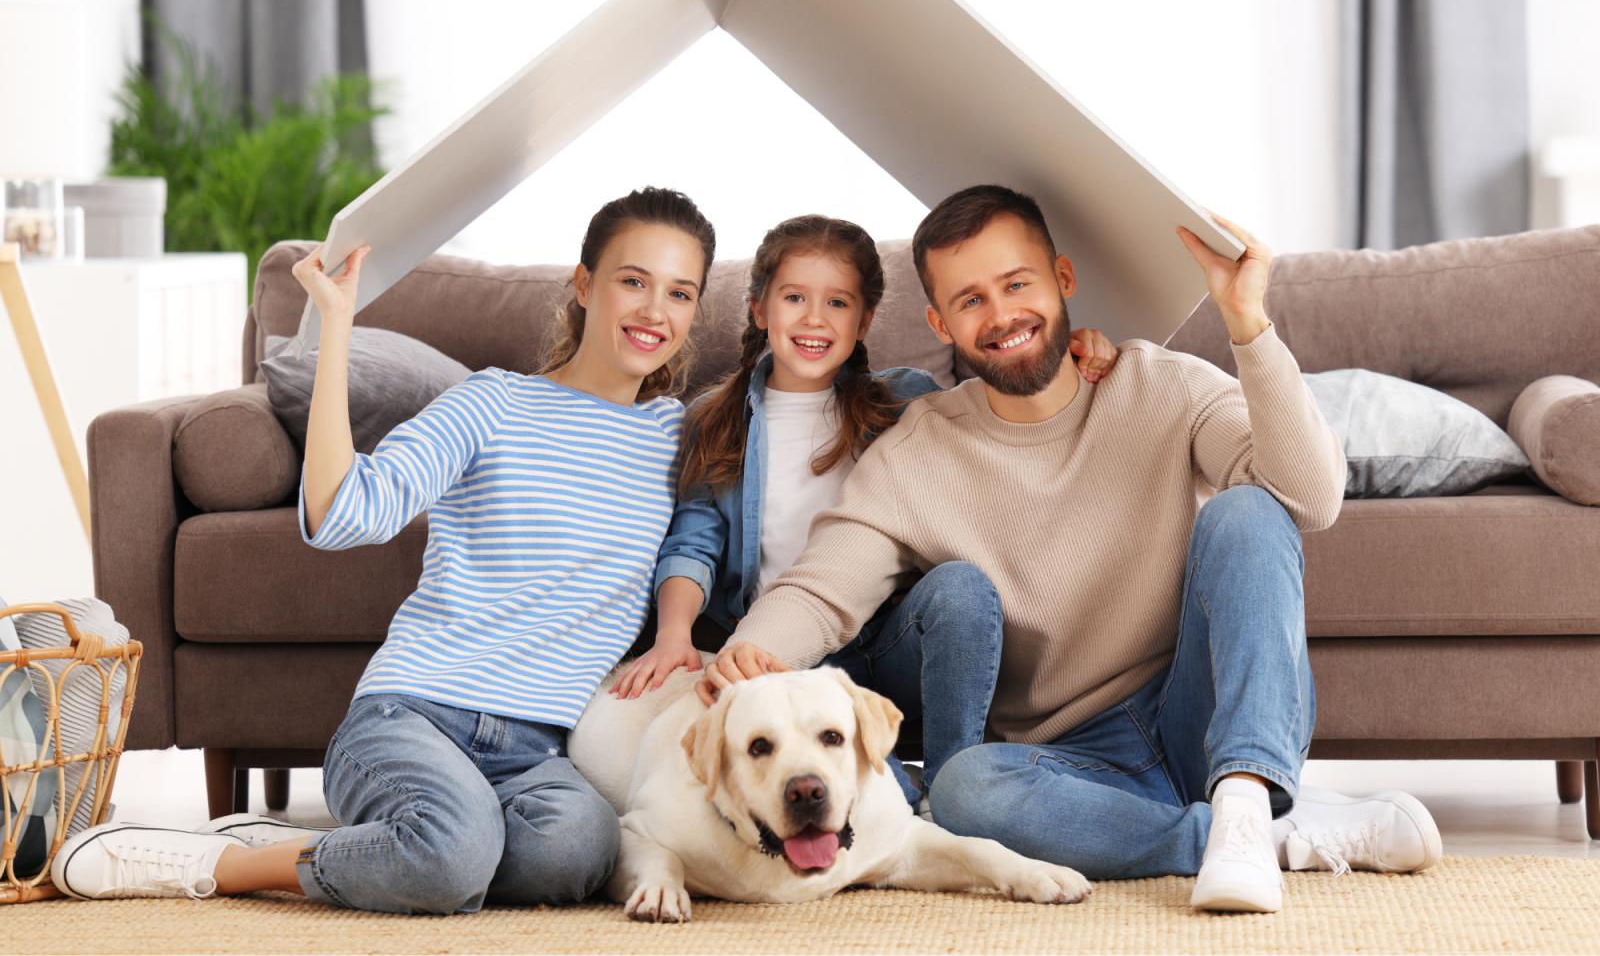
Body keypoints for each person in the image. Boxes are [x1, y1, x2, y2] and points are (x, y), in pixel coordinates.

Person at [691, 184, 1442, 914]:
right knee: (963, 789)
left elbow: (1311, 497)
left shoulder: (1164, 385)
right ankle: (1258, 837)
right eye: (970, 300)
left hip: (1195, 708)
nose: (1001, 316)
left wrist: (1248, 322)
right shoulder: (914, 453)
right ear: (940, 323)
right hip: (1068, 764)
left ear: (1063, 278)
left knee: (1249, 510)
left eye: (1017, 283)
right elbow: (823, 587)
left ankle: (1245, 797)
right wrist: (747, 658)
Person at [52, 188, 717, 914]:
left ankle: (421, 843)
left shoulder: (676, 438)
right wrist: (335, 328)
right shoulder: (492, 403)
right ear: (585, 284)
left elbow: (700, 540)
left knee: (578, 853)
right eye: (633, 280)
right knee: (452, 856)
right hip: (413, 714)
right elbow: (344, 513)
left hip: (539, 751)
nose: (655, 310)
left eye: (679, 292)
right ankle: (225, 860)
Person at [611, 214, 1119, 806]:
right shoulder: (713, 418)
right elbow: (692, 544)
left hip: (892, 644)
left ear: (865, 320)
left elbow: (1006, 388)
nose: (814, 319)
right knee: (882, 801)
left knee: (960, 586)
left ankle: (961, 778)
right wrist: (673, 633)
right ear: (759, 309)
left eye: (838, 303)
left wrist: (1075, 347)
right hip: (789, 657)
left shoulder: (906, 400)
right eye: (794, 298)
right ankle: (907, 793)